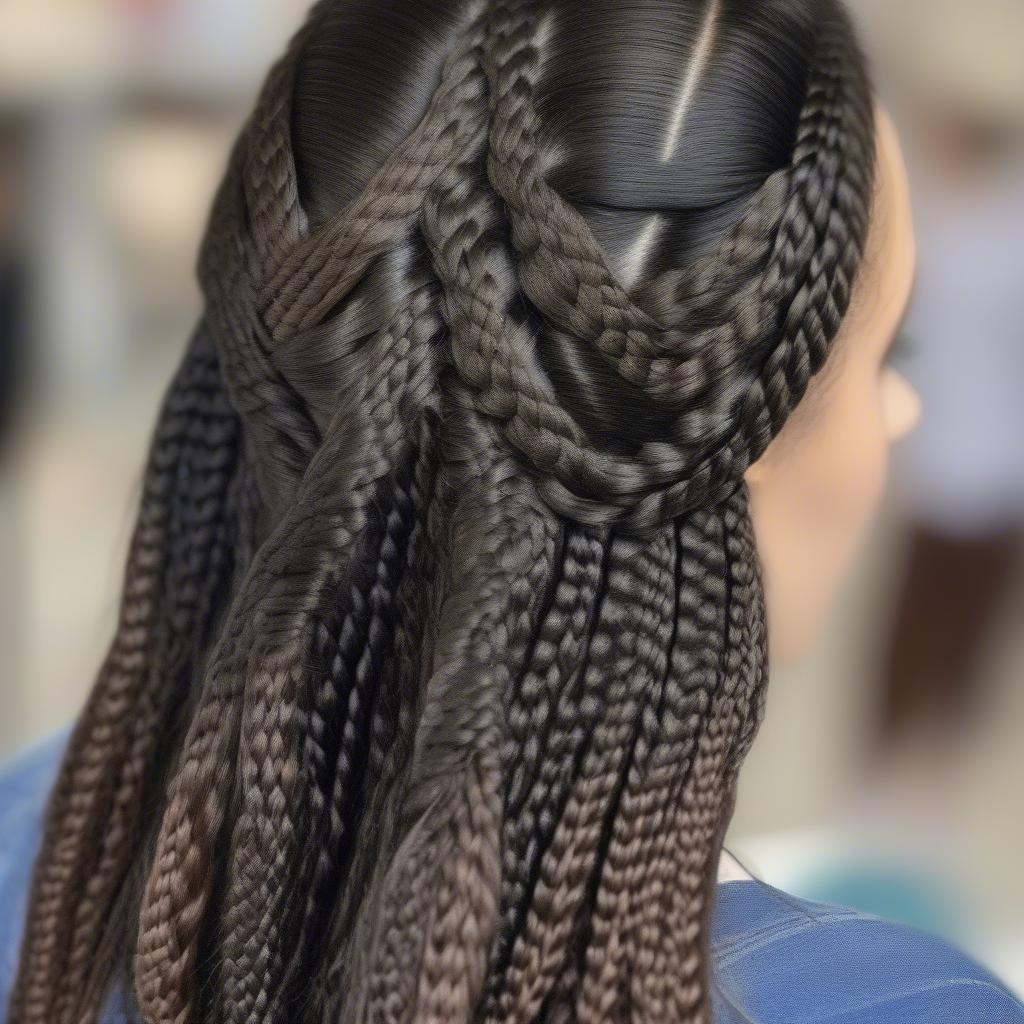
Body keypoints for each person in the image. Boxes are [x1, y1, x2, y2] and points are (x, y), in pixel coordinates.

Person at [0, 1, 1021, 1022]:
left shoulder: (41, 836)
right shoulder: (898, 1002)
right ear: (730, 423)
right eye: (888, 354)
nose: (903, 410)